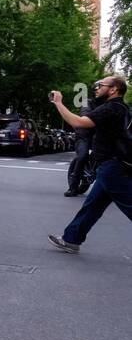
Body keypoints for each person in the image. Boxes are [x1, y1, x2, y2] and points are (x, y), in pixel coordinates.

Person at [48, 76, 132, 253]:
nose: (96, 88)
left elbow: (79, 123)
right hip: (109, 166)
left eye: (100, 85)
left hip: (112, 168)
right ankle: (71, 239)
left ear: (113, 89)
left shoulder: (111, 108)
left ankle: (72, 239)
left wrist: (58, 103)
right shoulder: (121, 108)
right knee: (92, 207)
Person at [65, 104, 94, 197]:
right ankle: (73, 187)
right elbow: (85, 117)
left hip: (100, 137)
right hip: (84, 136)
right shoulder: (88, 104)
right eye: (97, 88)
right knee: (82, 156)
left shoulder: (112, 104)